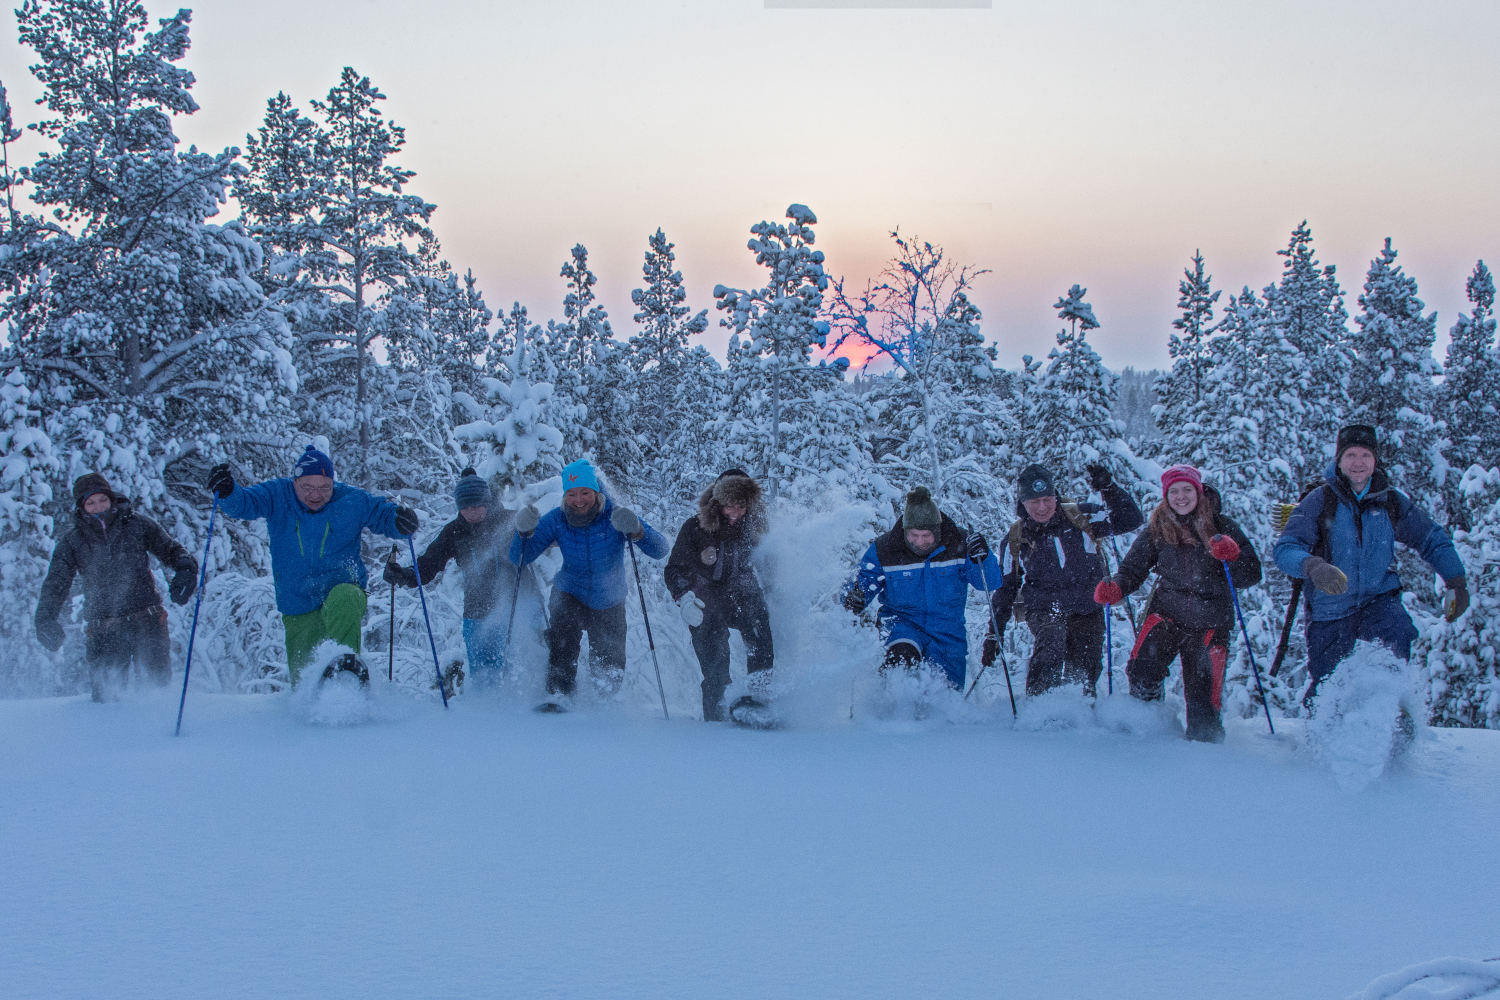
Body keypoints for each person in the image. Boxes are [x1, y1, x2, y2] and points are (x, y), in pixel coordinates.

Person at [1272, 424, 1466, 706]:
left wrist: (1455, 580)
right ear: (1339, 460)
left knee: (1396, 644)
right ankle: (1322, 738)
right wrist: (1313, 566)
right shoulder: (1320, 501)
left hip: (1378, 600)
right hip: (1331, 608)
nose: (1358, 463)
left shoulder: (1390, 502)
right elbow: (1286, 548)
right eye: (1351, 455)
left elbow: (1431, 538)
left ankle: (1393, 723)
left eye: (1365, 455)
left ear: (1375, 460)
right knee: (1328, 686)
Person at [207, 445, 417, 686]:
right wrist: (227, 492)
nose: (315, 494)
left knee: (345, 598)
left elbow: (383, 515)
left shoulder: (351, 500)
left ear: (333, 484)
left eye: (323, 487)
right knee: (305, 683)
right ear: (294, 482)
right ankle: (312, 711)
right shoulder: (277, 495)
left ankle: (347, 678)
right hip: (297, 601)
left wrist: (400, 521)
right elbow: (243, 504)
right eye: (307, 487)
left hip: (342, 588)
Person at [1093, 464, 1261, 742]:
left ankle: (1207, 760)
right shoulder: (1157, 529)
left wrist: (1232, 556)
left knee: (1203, 702)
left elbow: (1251, 575)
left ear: (1198, 492)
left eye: (1187, 490)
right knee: (1141, 674)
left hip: (1210, 624)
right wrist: (1116, 587)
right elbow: (1132, 570)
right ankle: (1147, 738)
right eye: (1174, 491)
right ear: (1165, 495)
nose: (1181, 497)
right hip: (1166, 618)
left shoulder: (1223, 526)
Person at [510, 459, 668, 703]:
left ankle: (605, 704)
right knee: (562, 646)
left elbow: (660, 549)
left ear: (596, 492)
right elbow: (519, 558)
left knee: (610, 660)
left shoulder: (615, 516)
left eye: (585, 492)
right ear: (565, 496)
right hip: (569, 592)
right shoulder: (556, 519)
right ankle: (559, 697)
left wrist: (637, 529)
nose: (579, 500)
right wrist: (523, 533)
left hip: (609, 598)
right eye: (572, 493)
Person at [35, 472, 199, 701]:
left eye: (102, 499)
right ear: (81, 508)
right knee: (106, 698)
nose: (98, 506)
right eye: (90, 503)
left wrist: (186, 570)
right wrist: (45, 619)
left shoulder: (137, 524)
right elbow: (56, 583)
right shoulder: (73, 541)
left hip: (148, 622)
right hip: (105, 630)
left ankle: (158, 735)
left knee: (157, 691)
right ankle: (108, 736)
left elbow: (172, 550)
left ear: (111, 498)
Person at [986, 462, 1143, 697]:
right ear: (1023, 503)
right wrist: (994, 632)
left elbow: (1131, 519)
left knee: (1085, 664)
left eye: (1047, 500)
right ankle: (1038, 705)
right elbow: (1006, 589)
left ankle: (1080, 709)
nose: (1042, 508)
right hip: (1043, 607)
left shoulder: (1083, 518)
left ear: (1055, 497)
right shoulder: (1016, 538)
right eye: (1034, 502)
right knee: (1051, 639)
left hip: (1088, 606)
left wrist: (1109, 489)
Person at [842, 486, 1000, 691]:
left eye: (926, 536)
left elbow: (989, 583)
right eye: (914, 535)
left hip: (947, 635)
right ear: (905, 530)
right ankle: (890, 711)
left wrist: (983, 558)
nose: (920, 542)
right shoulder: (886, 549)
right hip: (901, 626)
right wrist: (853, 597)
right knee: (899, 665)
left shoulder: (960, 545)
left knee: (945, 697)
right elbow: (862, 583)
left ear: (937, 530)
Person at [384, 469, 522, 687]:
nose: (471, 512)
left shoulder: (510, 521)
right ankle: (486, 711)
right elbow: (429, 565)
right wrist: (404, 575)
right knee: (481, 673)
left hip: (511, 608)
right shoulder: (454, 532)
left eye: (476, 505)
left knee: (511, 669)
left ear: (486, 502)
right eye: (465, 507)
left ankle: (518, 712)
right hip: (475, 611)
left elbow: (540, 538)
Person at [665, 469, 774, 721]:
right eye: (729, 506)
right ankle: (717, 717)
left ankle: (760, 701)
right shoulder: (695, 528)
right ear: (717, 504)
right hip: (705, 600)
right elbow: (674, 569)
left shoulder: (756, 527)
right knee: (715, 662)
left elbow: (770, 564)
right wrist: (685, 598)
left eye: (741, 506)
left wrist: (776, 589)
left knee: (760, 639)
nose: (735, 513)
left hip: (744, 595)